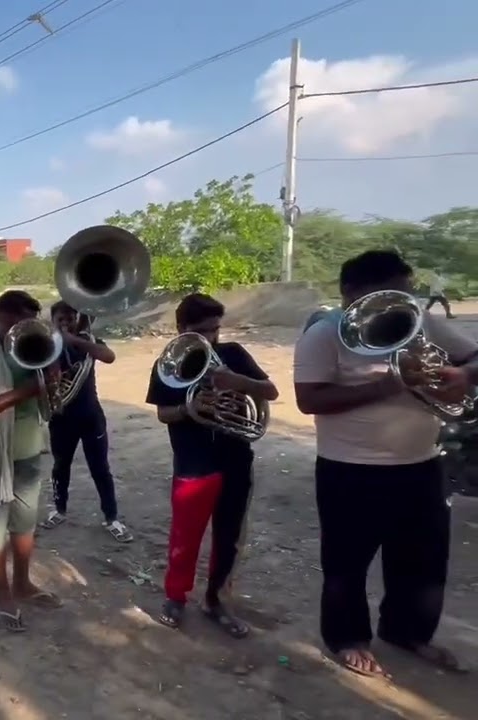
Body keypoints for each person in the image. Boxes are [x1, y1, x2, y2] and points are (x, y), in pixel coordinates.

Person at [294, 250, 476, 676]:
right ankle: (348, 639)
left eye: (405, 292)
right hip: (349, 469)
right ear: (350, 293)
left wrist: (465, 377)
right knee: (346, 565)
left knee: (423, 562)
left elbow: (473, 357)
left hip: (422, 464)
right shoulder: (323, 335)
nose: (401, 303)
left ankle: (407, 632)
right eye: (388, 293)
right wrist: (395, 383)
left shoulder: (419, 320)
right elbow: (310, 400)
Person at [145, 293, 278, 639]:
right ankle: (175, 597)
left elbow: (270, 391)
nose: (211, 340)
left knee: (230, 538)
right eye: (203, 332)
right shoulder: (169, 363)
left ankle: (217, 600)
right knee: (184, 536)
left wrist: (238, 382)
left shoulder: (232, 355)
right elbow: (163, 413)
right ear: (181, 329)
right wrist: (191, 409)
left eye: (216, 330)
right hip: (193, 461)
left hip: (235, 457)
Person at [0, 290, 63, 633]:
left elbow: (51, 404)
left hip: (29, 451)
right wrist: (27, 392)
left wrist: (52, 381)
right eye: (23, 321)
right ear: (3, 318)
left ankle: (22, 583)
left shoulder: (33, 350)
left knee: (24, 525)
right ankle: (4, 592)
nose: (29, 328)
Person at [40, 301, 131, 542]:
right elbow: (42, 376)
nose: (66, 323)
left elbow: (109, 356)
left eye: (70, 318)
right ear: (53, 321)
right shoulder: (48, 346)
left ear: (77, 319)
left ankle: (112, 518)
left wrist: (75, 341)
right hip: (61, 418)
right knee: (61, 466)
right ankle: (59, 510)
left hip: (91, 416)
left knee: (100, 468)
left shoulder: (88, 341)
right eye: (61, 319)